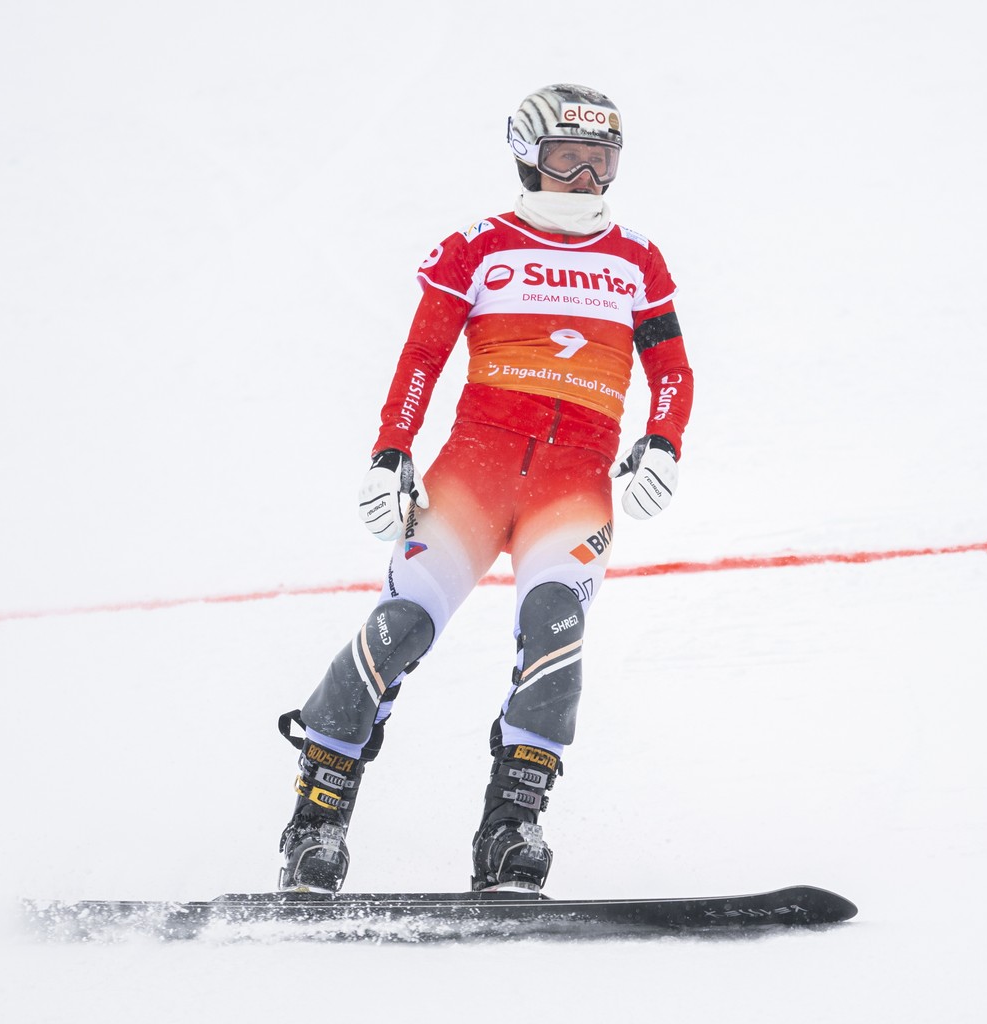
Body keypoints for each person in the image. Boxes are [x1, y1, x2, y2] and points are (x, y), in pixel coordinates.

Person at [275, 83, 695, 893]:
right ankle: (315, 824)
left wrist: (663, 444)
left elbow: (672, 369)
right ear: (528, 157)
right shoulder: (480, 245)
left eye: (602, 162)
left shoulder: (637, 257)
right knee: (400, 626)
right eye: (569, 161)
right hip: (475, 468)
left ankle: (511, 830)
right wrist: (389, 451)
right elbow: (422, 357)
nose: (587, 182)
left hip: (573, 478)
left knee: (555, 627)